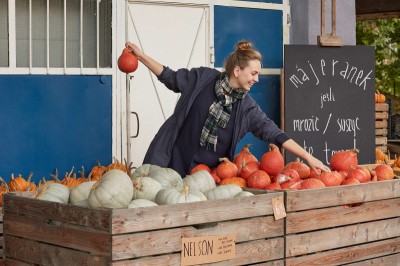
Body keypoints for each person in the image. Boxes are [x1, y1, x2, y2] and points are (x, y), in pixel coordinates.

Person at [125, 41, 330, 177]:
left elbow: (276, 134)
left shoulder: (248, 109)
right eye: (254, 73)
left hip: (208, 179)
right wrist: (141, 56)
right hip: (170, 164)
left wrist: (309, 157)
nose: (257, 79)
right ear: (237, 70)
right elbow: (169, 77)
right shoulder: (202, 79)